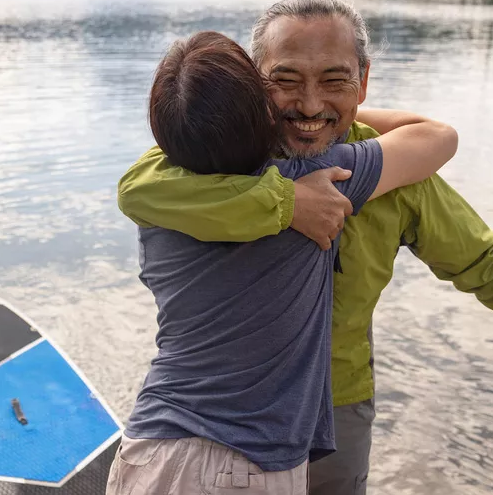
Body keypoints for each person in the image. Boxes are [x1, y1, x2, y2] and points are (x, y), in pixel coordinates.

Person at [115, 0, 493, 495]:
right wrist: (288, 200)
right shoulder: (206, 160)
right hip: (222, 422)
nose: (309, 105)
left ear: (364, 81)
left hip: (340, 406)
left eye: (335, 81)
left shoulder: (388, 169)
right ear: (252, 84)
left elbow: (484, 261)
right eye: (285, 81)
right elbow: (138, 187)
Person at [106, 30, 458, 495]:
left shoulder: (161, 203)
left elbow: (133, 184)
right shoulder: (321, 178)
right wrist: (333, 112)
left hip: (147, 449)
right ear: (260, 107)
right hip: (246, 466)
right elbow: (438, 138)